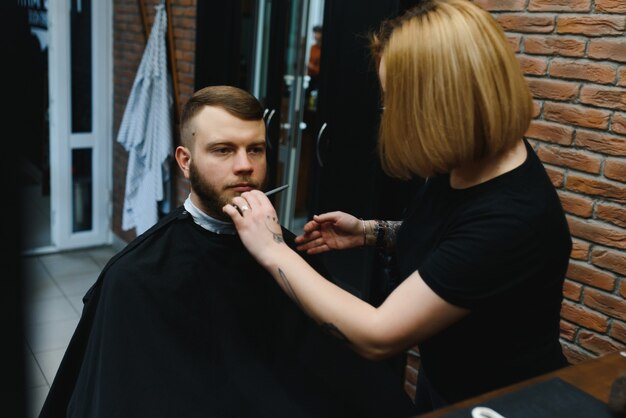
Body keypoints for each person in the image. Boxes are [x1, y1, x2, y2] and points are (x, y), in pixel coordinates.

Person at [223, 0, 572, 413]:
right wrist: (372, 231)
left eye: (394, 100)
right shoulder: (466, 157)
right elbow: (452, 237)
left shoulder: (513, 219)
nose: (390, 113)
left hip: (501, 403)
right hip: (443, 378)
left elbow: (378, 334)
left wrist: (272, 249)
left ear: (445, 101)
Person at [39, 85, 416, 418]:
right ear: (185, 161)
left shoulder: (290, 253)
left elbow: (345, 378)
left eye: (256, 149)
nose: (245, 166)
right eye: (223, 150)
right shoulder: (134, 276)